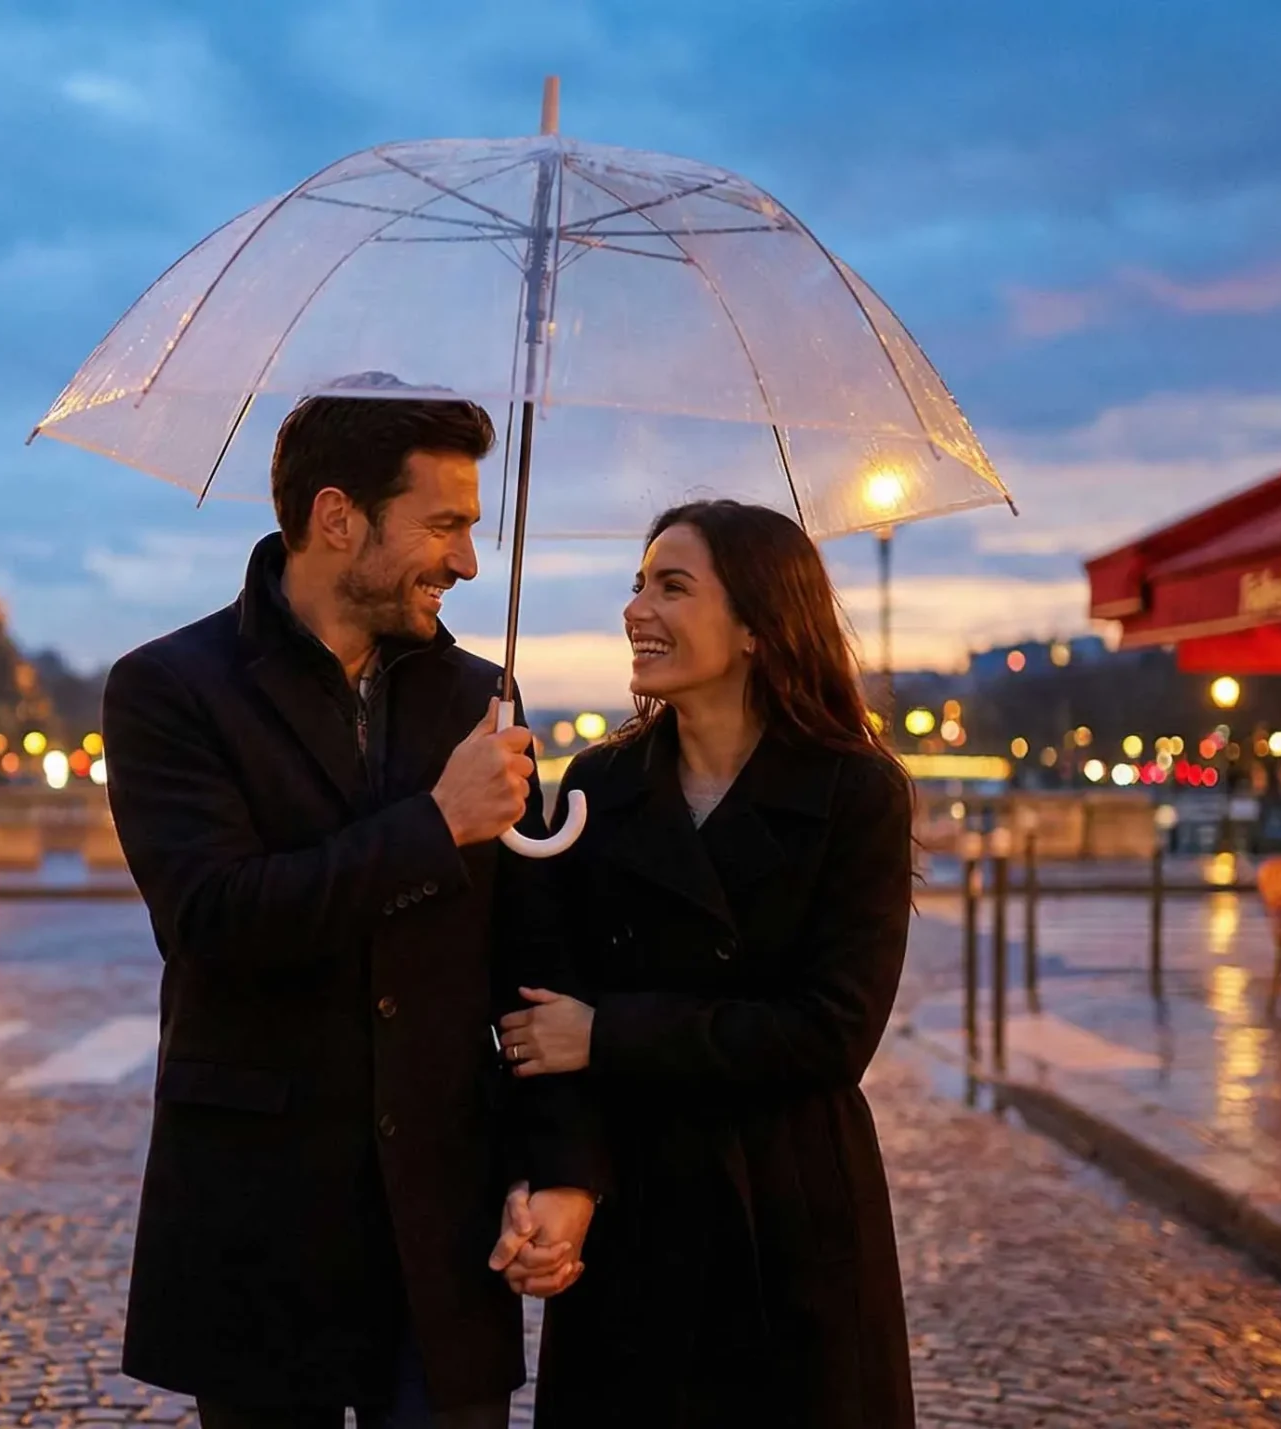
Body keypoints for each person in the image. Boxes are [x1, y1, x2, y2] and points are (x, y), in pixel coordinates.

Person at [99, 377, 598, 1428]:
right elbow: (215, 920)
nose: (467, 559)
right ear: (337, 517)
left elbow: (531, 963)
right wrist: (434, 823)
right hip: (260, 1225)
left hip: (443, 1226)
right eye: (444, 524)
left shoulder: (481, 697)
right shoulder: (167, 689)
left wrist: (556, 1172)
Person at [494, 499, 918, 1427]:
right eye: (637, 583)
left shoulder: (858, 792)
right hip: (638, 1216)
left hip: (792, 1219)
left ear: (761, 624)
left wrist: (607, 1035)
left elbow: (833, 1032)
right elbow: (541, 999)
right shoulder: (599, 787)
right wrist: (560, 1173)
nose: (636, 608)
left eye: (671, 586)